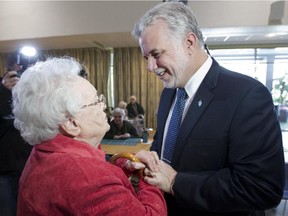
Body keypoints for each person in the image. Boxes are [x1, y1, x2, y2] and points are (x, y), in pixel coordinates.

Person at [132, 2, 285, 216]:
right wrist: (148, 162)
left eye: (156, 54)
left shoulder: (247, 95)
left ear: (189, 43)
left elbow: (261, 188)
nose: (150, 66)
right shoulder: (169, 92)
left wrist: (176, 182)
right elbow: (164, 146)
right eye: (146, 57)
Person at [13, 57, 167, 215]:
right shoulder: (89, 179)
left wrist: (125, 164)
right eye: (96, 101)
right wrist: (148, 178)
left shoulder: (44, 153)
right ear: (72, 124)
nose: (104, 106)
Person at [0, 52, 33, 216]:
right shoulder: (2, 91)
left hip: (32, 165)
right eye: (20, 67)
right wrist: (4, 91)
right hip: (6, 170)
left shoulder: (31, 91)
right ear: (10, 69)